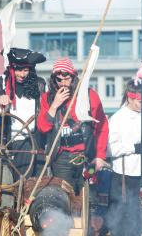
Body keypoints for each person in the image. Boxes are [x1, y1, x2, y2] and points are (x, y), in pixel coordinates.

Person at [37, 57, 109, 194]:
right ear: (54, 80)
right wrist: (54, 105)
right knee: (64, 198)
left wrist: (100, 156)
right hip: (61, 158)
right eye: (59, 80)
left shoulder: (89, 95)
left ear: (73, 77)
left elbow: (102, 126)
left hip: (86, 157)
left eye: (67, 78)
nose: (63, 83)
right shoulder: (48, 98)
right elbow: (43, 127)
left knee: (89, 198)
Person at [0, 47, 47, 176]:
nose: (22, 74)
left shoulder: (40, 84)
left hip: (33, 139)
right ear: (11, 68)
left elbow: (44, 110)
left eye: (26, 70)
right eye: (19, 69)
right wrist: (0, 104)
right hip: (7, 139)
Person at [105, 80, 142, 236]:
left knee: (139, 218)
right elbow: (110, 149)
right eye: (140, 101)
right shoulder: (118, 118)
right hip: (122, 176)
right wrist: (133, 147)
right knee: (121, 219)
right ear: (130, 98)